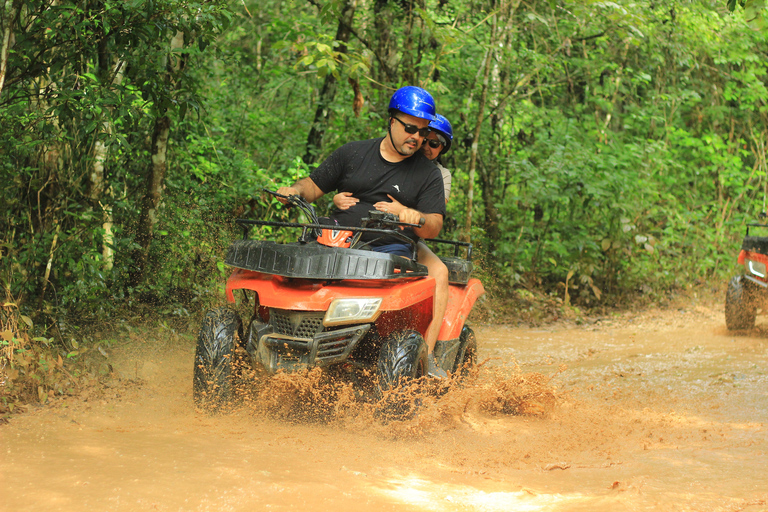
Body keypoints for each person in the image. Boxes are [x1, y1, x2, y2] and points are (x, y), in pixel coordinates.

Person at [277, 86, 449, 377]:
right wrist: (294, 191)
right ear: (391, 121)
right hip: (336, 243)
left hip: (388, 250)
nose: (417, 138)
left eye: (422, 132)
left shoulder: (428, 173)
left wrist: (415, 217)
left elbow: (434, 224)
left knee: (433, 272)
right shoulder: (353, 153)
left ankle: (425, 358)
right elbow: (314, 184)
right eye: (410, 128)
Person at [334, 113, 454, 376]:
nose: (426, 146)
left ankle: (429, 355)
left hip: (410, 237)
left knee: (440, 272)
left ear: (442, 149)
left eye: (434, 143)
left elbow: (432, 216)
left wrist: (402, 210)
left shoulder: (438, 175)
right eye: (424, 139)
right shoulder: (394, 158)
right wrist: (337, 198)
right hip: (369, 233)